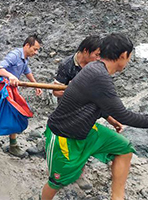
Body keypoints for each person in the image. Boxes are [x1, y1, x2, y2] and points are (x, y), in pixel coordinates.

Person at [41, 33, 148, 200]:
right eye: (129, 57)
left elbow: (99, 103)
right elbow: (125, 116)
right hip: (63, 136)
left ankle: (117, 198)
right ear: (122, 56)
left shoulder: (96, 69)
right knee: (56, 182)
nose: (128, 61)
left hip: (84, 129)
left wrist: (111, 120)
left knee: (124, 148)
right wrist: (119, 118)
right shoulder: (99, 76)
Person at [52, 35, 123, 190]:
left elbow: (99, 99)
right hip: (68, 113)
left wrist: (111, 119)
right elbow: (55, 91)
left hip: (88, 113)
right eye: (97, 54)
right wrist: (72, 89)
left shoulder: (97, 68)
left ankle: (79, 174)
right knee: (69, 146)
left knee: (83, 142)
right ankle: (60, 174)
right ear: (85, 51)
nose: (99, 58)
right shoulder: (67, 65)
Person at [0, 34, 43, 158]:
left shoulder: (24, 58)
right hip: (2, 91)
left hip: (10, 91)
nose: (36, 52)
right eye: (35, 49)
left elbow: (27, 72)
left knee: (0, 114)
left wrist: (36, 85)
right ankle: (13, 145)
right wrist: (10, 76)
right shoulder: (15, 55)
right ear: (27, 45)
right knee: (14, 114)